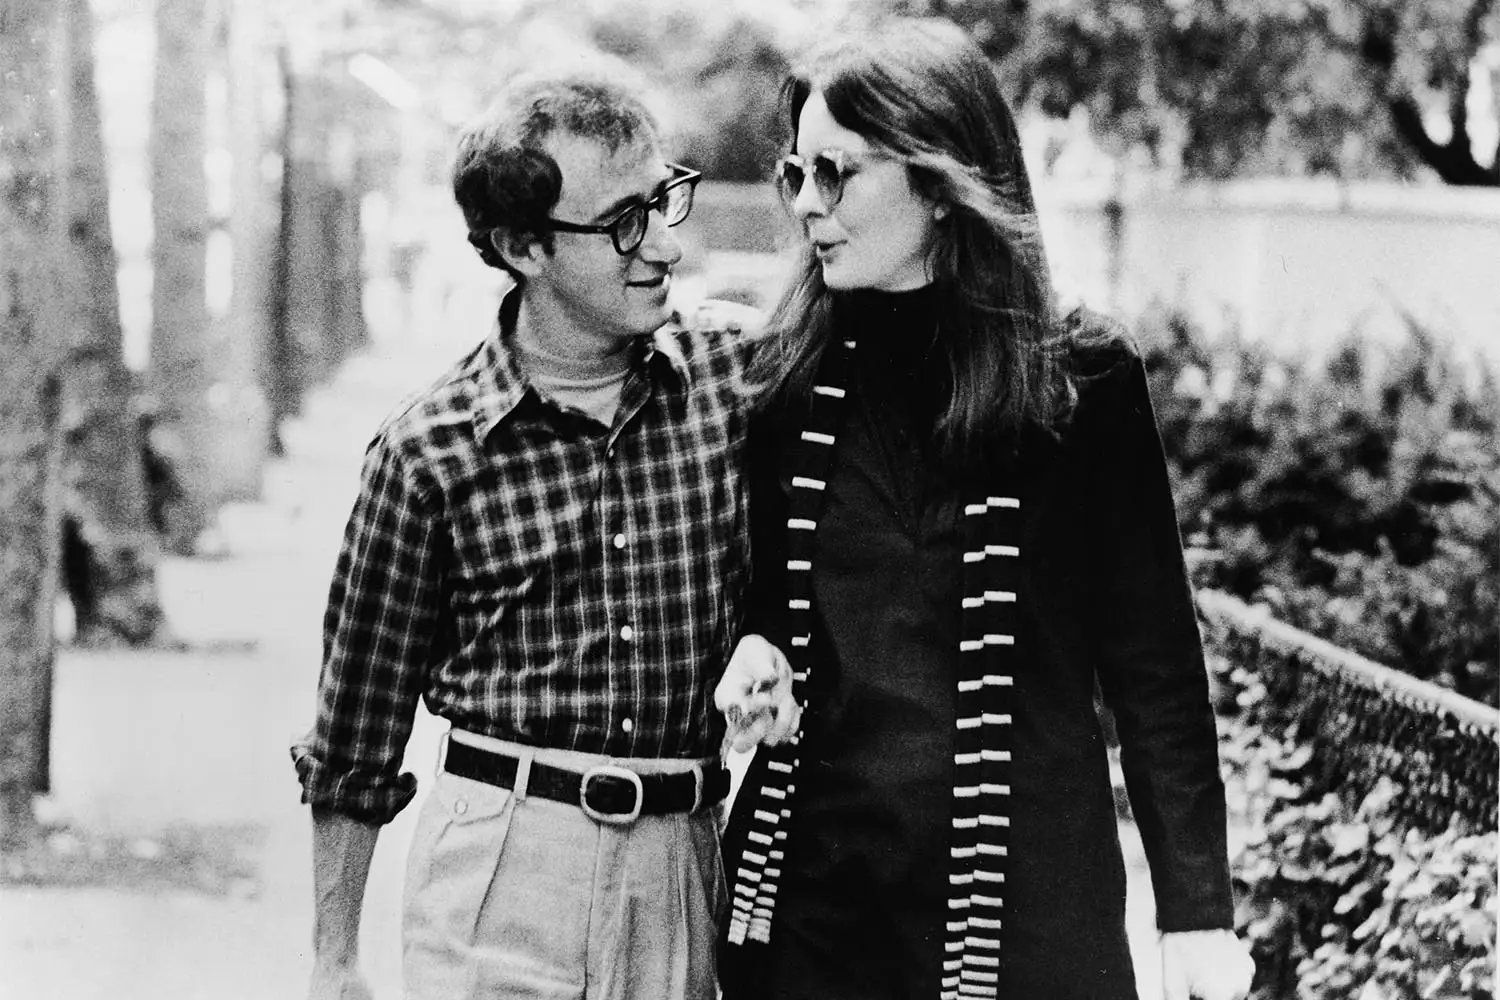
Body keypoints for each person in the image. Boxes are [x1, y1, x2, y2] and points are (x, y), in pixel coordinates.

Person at [714, 18, 1255, 1000]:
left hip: (1026, 914)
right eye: (796, 174)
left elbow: (1156, 666)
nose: (807, 206)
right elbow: (767, 600)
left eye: (837, 173)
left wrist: (1196, 910)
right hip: (815, 912)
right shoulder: (781, 379)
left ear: (939, 180)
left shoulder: (1083, 380)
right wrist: (753, 646)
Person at [291, 70, 771, 1000]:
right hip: (504, 863)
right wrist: (334, 958)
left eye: (664, 199)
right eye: (626, 221)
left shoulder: (736, 381)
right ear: (523, 248)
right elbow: (358, 725)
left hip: (685, 855)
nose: (668, 244)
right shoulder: (428, 454)